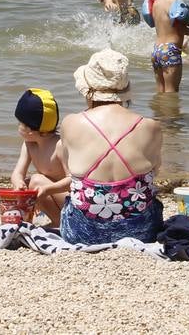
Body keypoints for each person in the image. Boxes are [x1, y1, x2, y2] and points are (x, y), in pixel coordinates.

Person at [56, 49, 164, 244]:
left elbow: (69, 173)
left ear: (88, 88)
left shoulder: (71, 123)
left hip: (81, 233)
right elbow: (155, 171)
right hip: (142, 232)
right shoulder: (151, 126)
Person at [10, 88, 69, 227]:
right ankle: (48, 220)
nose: (18, 127)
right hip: (54, 196)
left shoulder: (59, 146)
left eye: (20, 124)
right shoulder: (29, 144)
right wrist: (18, 183)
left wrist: (49, 189)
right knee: (27, 183)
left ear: (30, 130)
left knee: (36, 180)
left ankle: (58, 222)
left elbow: (73, 181)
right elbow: (17, 172)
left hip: (71, 200)